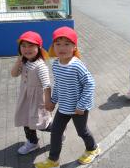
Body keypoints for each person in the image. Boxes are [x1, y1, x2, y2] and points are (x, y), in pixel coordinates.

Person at [35, 27, 100, 168]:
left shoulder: (77, 65)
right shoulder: (56, 64)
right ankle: (53, 160)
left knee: (82, 131)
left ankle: (93, 149)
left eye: (66, 44)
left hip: (79, 109)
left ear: (74, 46)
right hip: (63, 107)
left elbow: (90, 84)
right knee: (56, 132)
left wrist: (81, 105)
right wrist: (53, 100)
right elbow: (58, 84)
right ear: (53, 46)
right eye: (58, 44)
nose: (62, 48)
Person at [11, 31, 52, 155]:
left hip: (38, 100)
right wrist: (19, 60)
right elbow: (14, 74)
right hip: (25, 97)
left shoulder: (40, 66)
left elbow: (47, 85)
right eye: (23, 46)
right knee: (26, 120)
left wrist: (48, 102)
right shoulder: (24, 62)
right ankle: (32, 142)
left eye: (31, 46)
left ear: (38, 48)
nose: (27, 49)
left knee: (41, 123)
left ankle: (59, 130)